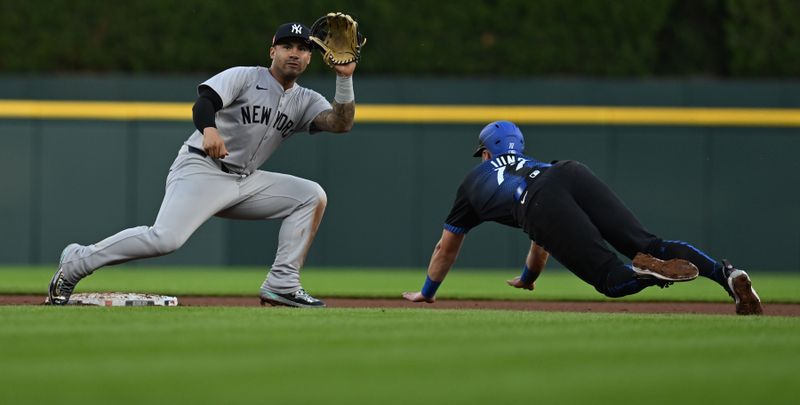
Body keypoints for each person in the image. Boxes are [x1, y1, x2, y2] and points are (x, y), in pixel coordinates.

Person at [47, 21, 358, 308]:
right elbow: (206, 101)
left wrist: (345, 80)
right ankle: (77, 261)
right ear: (272, 51)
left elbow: (339, 123)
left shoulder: (304, 99)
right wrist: (209, 129)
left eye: (303, 48)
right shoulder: (246, 76)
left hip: (245, 181)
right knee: (166, 238)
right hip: (202, 169)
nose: (295, 53)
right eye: (288, 46)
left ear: (310, 58)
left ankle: (283, 284)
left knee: (310, 195)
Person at [402, 121, 763, 315]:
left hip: (537, 202)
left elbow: (445, 248)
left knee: (609, 277)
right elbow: (541, 240)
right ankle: (727, 274)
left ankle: (645, 270)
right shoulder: (533, 163)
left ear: (485, 153)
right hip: (567, 172)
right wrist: (529, 277)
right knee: (651, 244)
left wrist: (428, 293)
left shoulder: (472, 183)